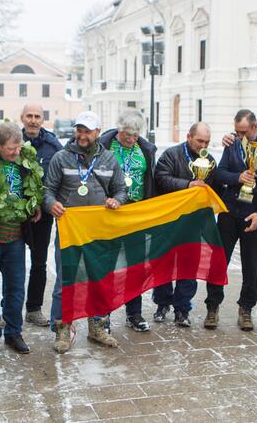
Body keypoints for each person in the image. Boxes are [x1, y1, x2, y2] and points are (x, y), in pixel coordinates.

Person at [44, 111, 127, 353]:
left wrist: (116, 201)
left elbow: (121, 190)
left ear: (98, 132)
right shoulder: (61, 158)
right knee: (65, 281)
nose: (82, 135)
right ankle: (62, 329)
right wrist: (51, 204)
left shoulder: (110, 159)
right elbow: (47, 190)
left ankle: (98, 327)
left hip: (99, 232)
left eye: (87, 131)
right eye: (79, 130)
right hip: (70, 231)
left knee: (99, 280)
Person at [206, 110, 257, 331]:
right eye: (237, 132)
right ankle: (212, 306)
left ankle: (246, 309)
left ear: (255, 127)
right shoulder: (232, 146)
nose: (240, 136)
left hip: (253, 216)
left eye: (244, 132)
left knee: (252, 266)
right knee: (218, 262)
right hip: (229, 213)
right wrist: (237, 178)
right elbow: (219, 174)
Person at [0, 122, 41, 357]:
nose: (15, 153)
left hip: (16, 238)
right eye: (10, 149)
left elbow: (32, 189)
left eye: (18, 148)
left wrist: (34, 205)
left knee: (15, 289)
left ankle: (14, 332)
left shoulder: (24, 164)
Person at [98, 110, 158, 332]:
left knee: (136, 266)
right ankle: (102, 316)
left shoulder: (145, 149)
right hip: (111, 212)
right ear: (119, 130)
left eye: (135, 135)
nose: (131, 139)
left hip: (137, 213)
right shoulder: (104, 145)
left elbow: (151, 179)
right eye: (127, 134)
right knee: (109, 265)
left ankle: (134, 313)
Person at [153, 122, 217, 328]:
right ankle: (163, 304)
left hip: (193, 223)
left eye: (207, 141)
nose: (203, 145)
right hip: (168, 221)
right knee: (163, 264)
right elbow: (161, 179)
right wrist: (188, 185)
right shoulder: (171, 155)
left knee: (188, 267)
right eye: (200, 140)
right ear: (189, 137)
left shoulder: (210, 161)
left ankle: (182, 308)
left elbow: (213, 188)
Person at [20, 104, 63, 327]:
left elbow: (58, 179)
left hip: (42, 215)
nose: (33, 120)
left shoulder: (53, 145)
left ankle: (34, 308)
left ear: (43, 119)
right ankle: (8, 309)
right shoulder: (12, 140)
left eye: (38, 116)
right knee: (12, 264)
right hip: (15, 215)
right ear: (22, 118)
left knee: (39, 263)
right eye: (30, 116)